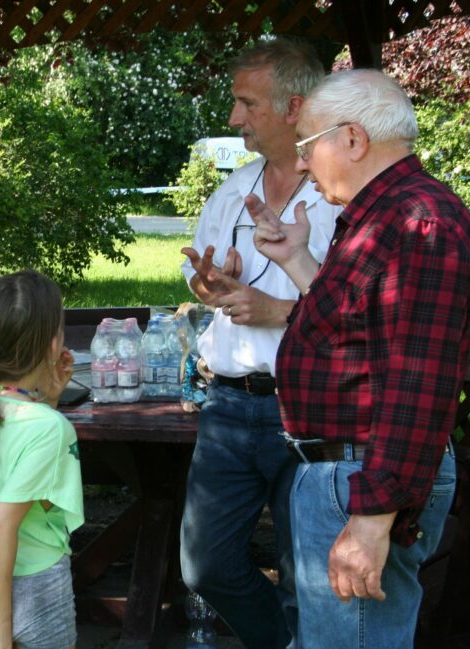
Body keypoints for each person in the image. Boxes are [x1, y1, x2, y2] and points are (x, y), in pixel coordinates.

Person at [248, 68, 470, 649]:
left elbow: (416, 384)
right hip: (347, 476)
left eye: (307, 146)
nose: (301, 164)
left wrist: (372, 518)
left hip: (363, 479)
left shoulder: (417, 222)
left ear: (352, 139)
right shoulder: (384, 218)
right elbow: (351, 333)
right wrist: (299, 262)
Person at [178, 38, 342, 649]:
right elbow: (205, 278)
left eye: (246, 103)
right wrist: (209, 282)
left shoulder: (336, 197)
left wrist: (279, 311)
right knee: (205, 566)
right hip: (227, 405)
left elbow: (358, 314)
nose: (233, 118)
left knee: (310, 577)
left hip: (306, 408)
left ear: (294, 106)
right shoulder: (233, 189)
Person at [0, 270, 83, 649]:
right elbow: (0, 525)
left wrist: (48, 399)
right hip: (33, 589)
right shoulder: (49, 428)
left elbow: (5, 458)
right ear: (51, 343)